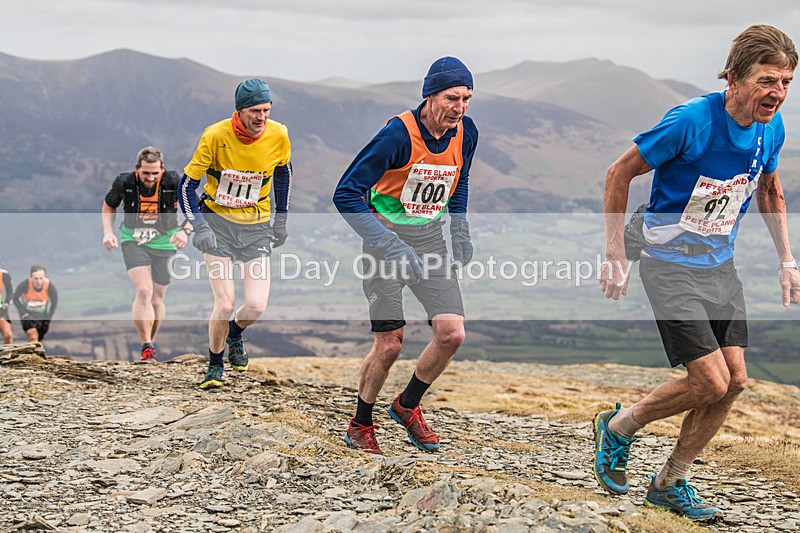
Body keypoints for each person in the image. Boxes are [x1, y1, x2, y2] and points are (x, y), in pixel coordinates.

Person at [596, 25, 799, 521]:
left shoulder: (771, 128)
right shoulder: (691, 121)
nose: (777, 93)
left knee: (735, 382)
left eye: (786, 82)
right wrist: (615, 252)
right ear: (732, 78)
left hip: (720, 266)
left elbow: (769, 189)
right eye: (767, 80)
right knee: (709, 382)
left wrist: (787, 260)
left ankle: (671, 481)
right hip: (669, 264)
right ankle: (619, 427)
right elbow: (618, 173)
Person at [332, 57, 478, 455]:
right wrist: (387, 242)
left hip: (430, 241)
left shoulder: (466, 132)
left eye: (466, 98)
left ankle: (407, 405)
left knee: (451, 334)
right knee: (390, 345)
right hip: (385, 243)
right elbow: (345, 194)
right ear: (430, 96)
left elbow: (460, 179)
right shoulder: (397, 135)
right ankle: (361, 424)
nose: (460, 107)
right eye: (452, 98)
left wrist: (459, 228)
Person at [179, 78, 292, 389]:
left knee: (256, 306)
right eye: (255, 111)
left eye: (266, 110)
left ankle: (235, 333)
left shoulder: (279, 134)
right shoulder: (215, 135)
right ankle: (215, 364)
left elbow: (283, 174)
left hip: (256, 226)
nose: (262, 117)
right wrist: (200, 226)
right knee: (226, 302)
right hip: (218, 224)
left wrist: (281, 218)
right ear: (240, 110)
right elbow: (186, 187)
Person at [102, 146, 189, 363]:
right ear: (137, 169)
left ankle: (151, 342)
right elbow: (109, 205)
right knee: (143, 291)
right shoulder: (124, 182)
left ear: (162, 169)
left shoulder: (174, 181)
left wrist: (184, 231)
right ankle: (146, 345)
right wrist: (108, 232)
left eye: (155, 173)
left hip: (165, 241)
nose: (150, 178)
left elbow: (194, 207)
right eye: (145, 173)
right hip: (134, 239)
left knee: (157, 301)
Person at [14, 265, 58, 343]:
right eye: (36, 278)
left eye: (41, 278)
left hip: (42, 315)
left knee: (39, 339)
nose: (39, 282)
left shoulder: (49, 286)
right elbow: (15, 298)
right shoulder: (25, 285)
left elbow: (54, 302)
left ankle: (32, 350)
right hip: (27, 314)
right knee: (33, 336)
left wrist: (48, 317)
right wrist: (23, 313)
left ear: (44, 277)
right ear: (31, 277)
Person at [0, 261, 13, 343]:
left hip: (1, 309)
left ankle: (9, 351)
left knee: (8, 335)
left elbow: (10, 290)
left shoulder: (4, 274)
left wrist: (7, 303)